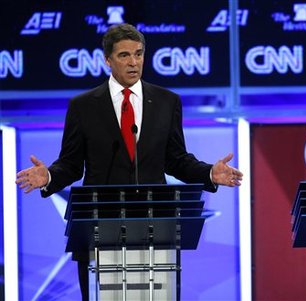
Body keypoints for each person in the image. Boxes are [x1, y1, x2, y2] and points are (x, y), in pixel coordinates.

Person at [15, 23, 243, 300]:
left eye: (138, 54)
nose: (134, 62)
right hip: (100, 228)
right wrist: (49, 176)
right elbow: (72, 164)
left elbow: (176, 160)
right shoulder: (83, 106)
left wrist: (209, 173)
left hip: (155, 228)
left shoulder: (166, 102)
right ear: (107, 60)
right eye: (124, 55)